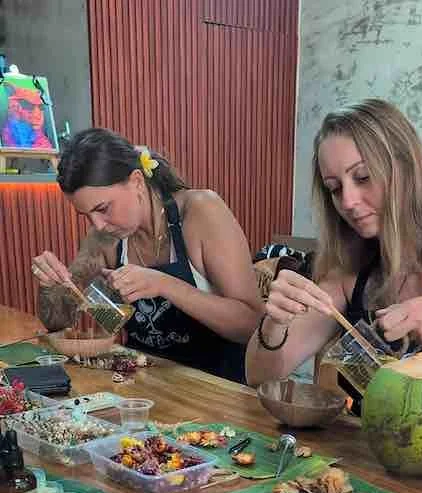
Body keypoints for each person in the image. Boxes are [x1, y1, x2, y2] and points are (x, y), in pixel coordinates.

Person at [246, 99, 422, 449]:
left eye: (363, 177)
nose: (348, 201)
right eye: (335, 188)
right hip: (378, 467)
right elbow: (260, 376)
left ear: (407, 167)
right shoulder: (349, 268)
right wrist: (275, 322)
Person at [32, 128, 262, 383]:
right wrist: (50, 285)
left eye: (103, 208)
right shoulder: (103, 239)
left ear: (137, 181)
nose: (98, 225)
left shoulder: (200, 212)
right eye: (87, 215)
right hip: (146, 388)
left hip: (218, 388)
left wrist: (164, 284)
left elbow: (251, 325)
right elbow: (58, 321)